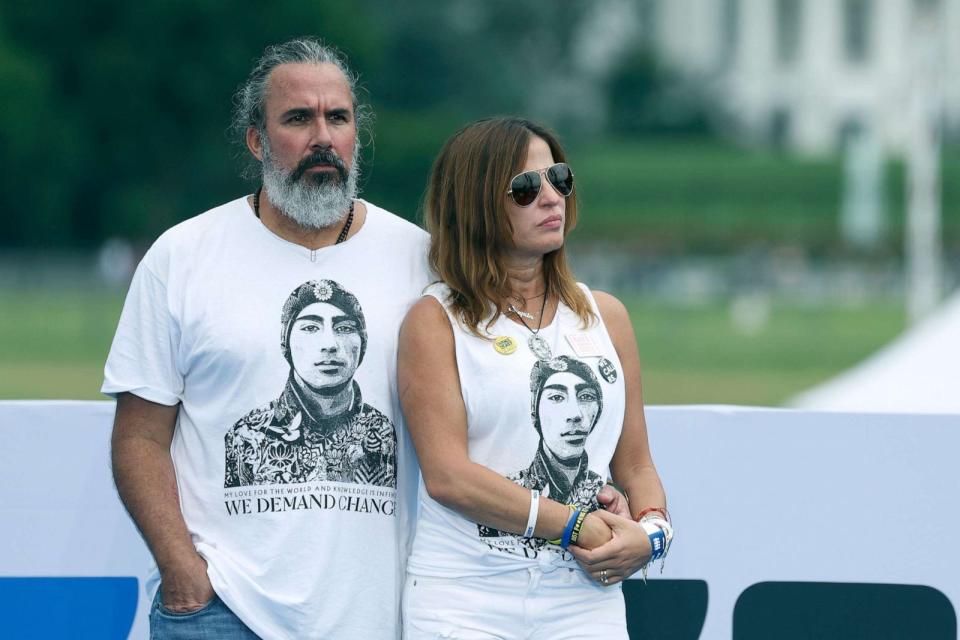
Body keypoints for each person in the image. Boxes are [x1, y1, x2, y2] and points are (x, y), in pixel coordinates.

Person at [103, 38, 431, 639]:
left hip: (376, 615)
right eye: (298, 119)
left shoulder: (420, 259)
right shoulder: (183, 256)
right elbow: (140, 438)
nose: (323, 138)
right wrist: (183, 574)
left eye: (338, 117)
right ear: (257, 140)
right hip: (221, 611)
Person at [398, 117, 672, 639]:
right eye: (525, 188)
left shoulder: (606, 315)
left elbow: (635, 462)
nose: (551, 198)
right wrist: (574, 523)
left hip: (584, 600)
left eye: (559, 179)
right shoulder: (434, 321)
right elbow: (448, 476)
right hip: (466, 601)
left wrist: (653, 533)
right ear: (475, 203)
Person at [224, 279, 397, 488]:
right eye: (310, 327)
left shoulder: (382, 431)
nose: (330, 345)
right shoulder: (248, 434)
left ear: (362, 341)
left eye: (343, 328)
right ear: (285, 340)